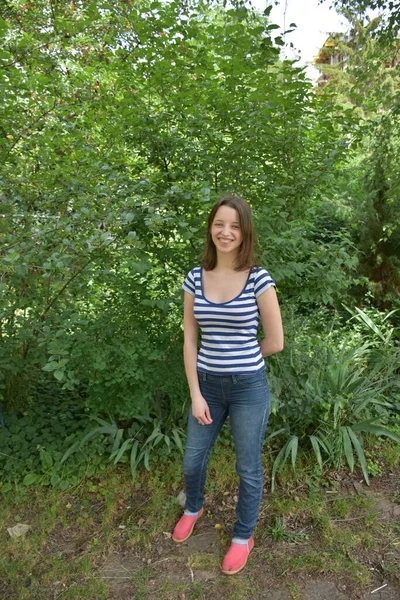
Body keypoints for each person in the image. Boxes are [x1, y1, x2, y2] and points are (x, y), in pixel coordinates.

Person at [172, 194, 284, 575]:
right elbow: (190, 338)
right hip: (206, 385)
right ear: (210, 228)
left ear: (244, 231)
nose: (226, 231)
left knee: (248, 466)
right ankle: (194, 506)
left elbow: (275, 340)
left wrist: (243, 361)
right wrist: (195, 393)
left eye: (235, 226)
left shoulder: (258, 278)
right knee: (192, 457)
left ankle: (243, 534)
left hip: (248, 388)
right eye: (220, 223)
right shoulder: (193, 276)